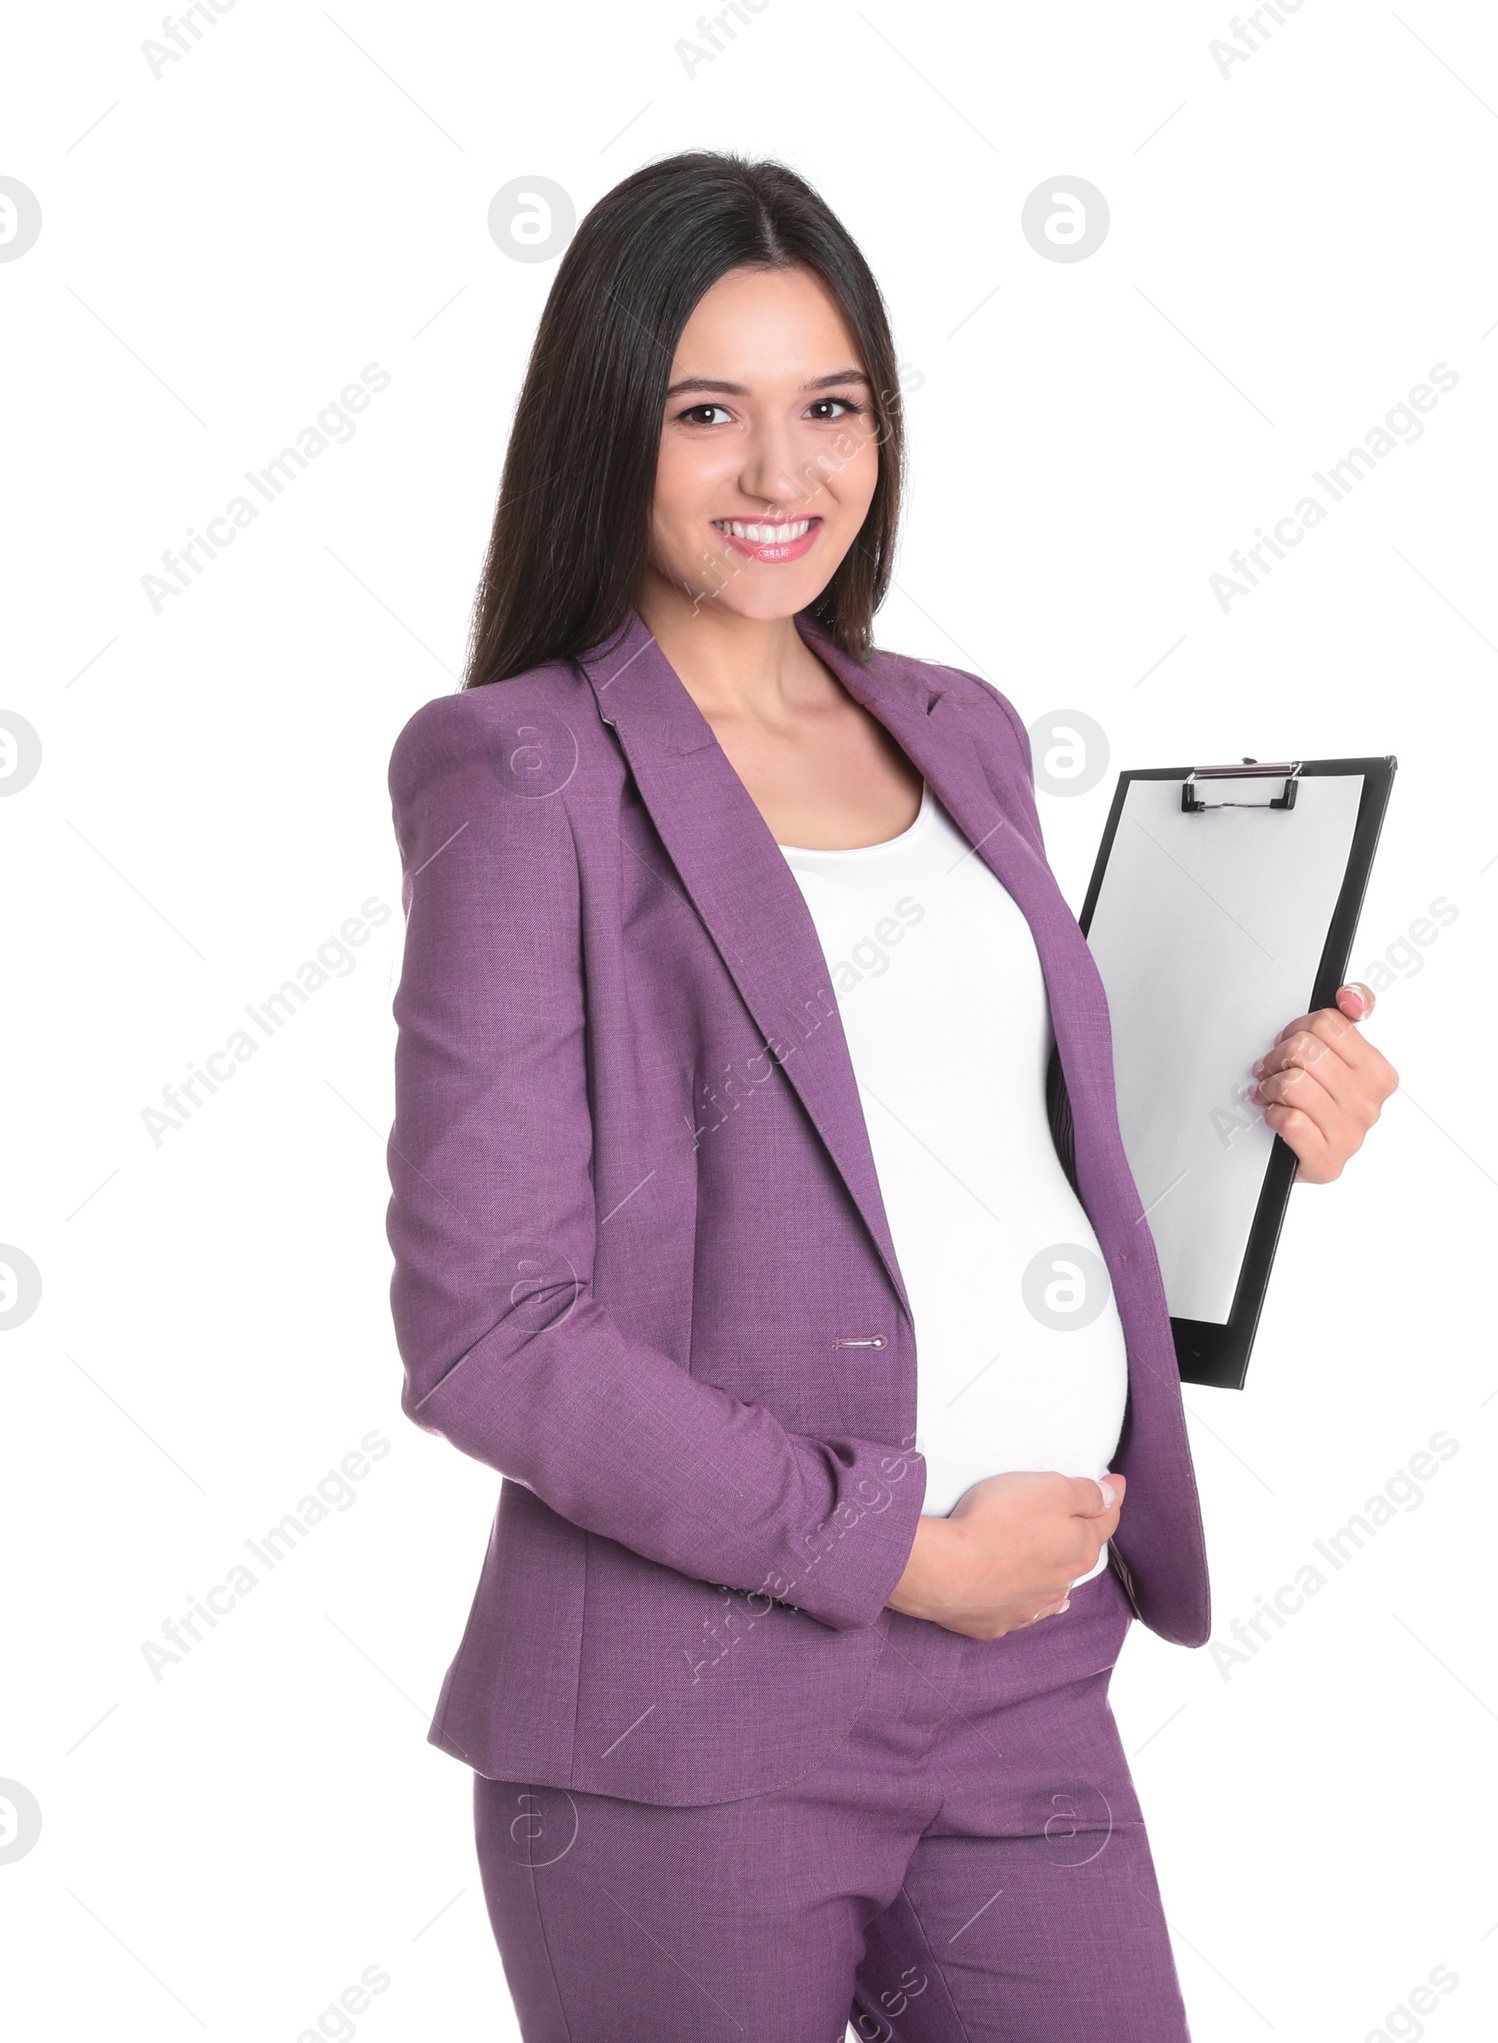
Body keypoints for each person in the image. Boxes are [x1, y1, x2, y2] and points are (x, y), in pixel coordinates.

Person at [383, 150, 1397, 2043]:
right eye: (712, 413)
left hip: (1029, 1675)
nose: (787, 476)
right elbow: (490, 1330)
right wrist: (904, 1551)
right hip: (684, 1724)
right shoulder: (516, 772)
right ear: (613, 427)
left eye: (829, 406)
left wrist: (1247, 1132)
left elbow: (994, 1171)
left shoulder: (959, 725)